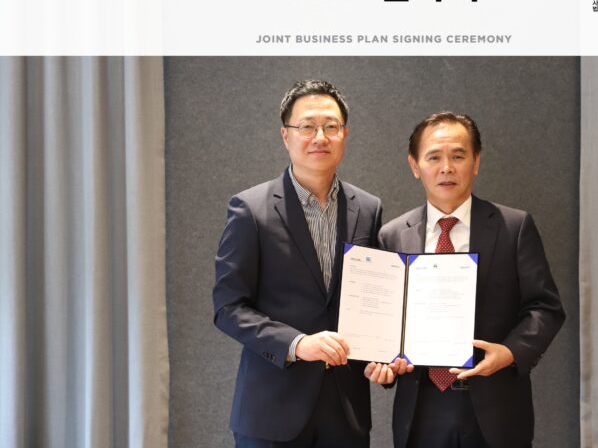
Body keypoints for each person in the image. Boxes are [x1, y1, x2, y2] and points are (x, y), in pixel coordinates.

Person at [366, 112, 565, 448]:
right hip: (421, 408)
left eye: (458, 156)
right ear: (414, 165)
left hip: (496, 406)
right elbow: (385, 323)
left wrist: (510, 352)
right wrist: (383, 362)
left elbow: (545, 307)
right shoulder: (393, 235)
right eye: (434, 157)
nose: (446, 168)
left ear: (476, 162)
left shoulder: (514, 227)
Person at [213, 80, 382, 448]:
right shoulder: (250, 209)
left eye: (331, 126)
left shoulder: (368, 209)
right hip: (271, 410)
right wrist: (296, 343)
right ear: (285, 135)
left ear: (345, 134)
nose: (320, 136)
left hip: (346, 411)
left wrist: (387, 353)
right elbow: (228, 308)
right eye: (307, 126)